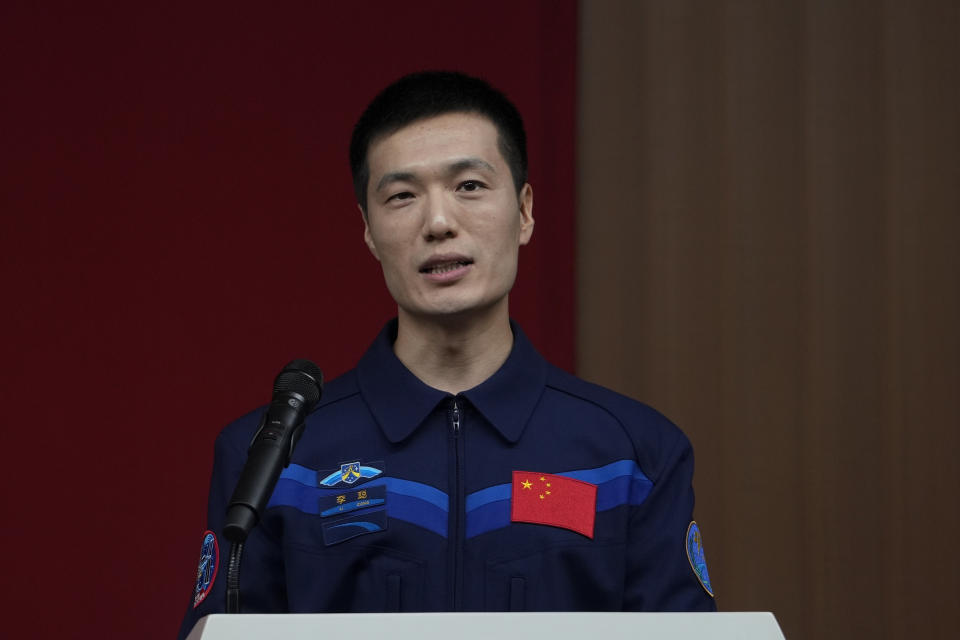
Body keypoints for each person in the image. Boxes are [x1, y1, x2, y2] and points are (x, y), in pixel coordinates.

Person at [178, 70, 714, 638]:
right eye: (402, 196)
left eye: (470, 186)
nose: (438, 222)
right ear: (367, 230)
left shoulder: (633, 454)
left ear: (526, 211)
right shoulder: (275, 456)